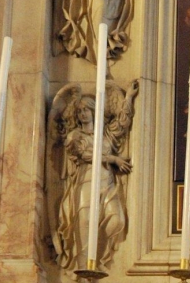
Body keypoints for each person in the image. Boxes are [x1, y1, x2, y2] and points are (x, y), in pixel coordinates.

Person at [53, 94, 132, 274]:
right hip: (86, 180)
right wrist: (112, 158)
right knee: (85, 221)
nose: (83, 114)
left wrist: (128, 97)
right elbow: (85, 155)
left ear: (94, 111)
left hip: (107, 181)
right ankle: (83, 268)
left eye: (86, 109)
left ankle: (95, 256)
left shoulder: (105, 134)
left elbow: (122, 125)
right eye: (80, 111)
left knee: (116, 219)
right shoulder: (75, 136)